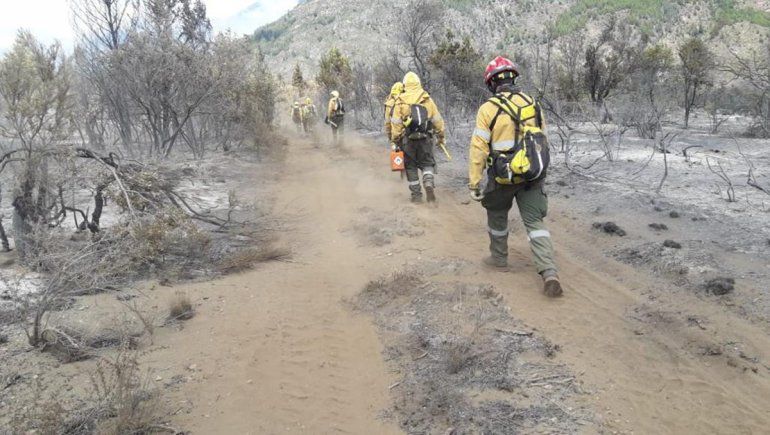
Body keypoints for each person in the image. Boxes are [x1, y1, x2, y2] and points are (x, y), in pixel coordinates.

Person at [467, 56, 563, 297]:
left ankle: (499, 260)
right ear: (514, 78)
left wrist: (475, 181)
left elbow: (478, 147)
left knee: (497, 213)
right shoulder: (532, 103)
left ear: (491, 84)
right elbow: (543, 141)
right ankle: (549, 272)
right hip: (532, 174)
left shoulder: (488, 109)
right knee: (535, 223)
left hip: (503, 177)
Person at [390, 72, 446, 203]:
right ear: (418, 83)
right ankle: (428, 182)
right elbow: (437, 120)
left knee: (410, 166)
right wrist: (441, 137)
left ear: (405, 85)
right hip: (425, 139)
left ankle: (416, 196)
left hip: (408, 141)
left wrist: (395, 140)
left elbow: (396, 124)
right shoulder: (426, 98)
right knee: (427, 163)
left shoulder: (400, 101)